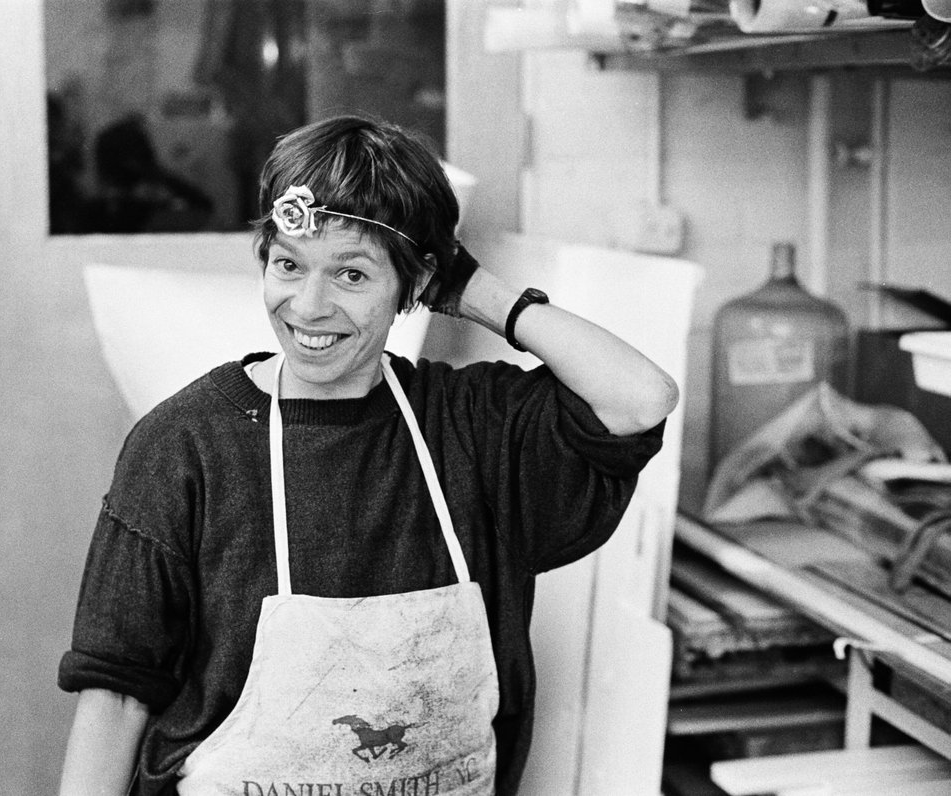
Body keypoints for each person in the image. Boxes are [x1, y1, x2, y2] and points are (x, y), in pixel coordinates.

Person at [57, 115, 678, 795]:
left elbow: (640, 399)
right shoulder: (185, 446)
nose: (309, 306)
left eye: (352, 274)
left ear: (416, 286)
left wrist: (477, 292)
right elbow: (116, 696)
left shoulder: (472, 428)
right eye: (289, 265)